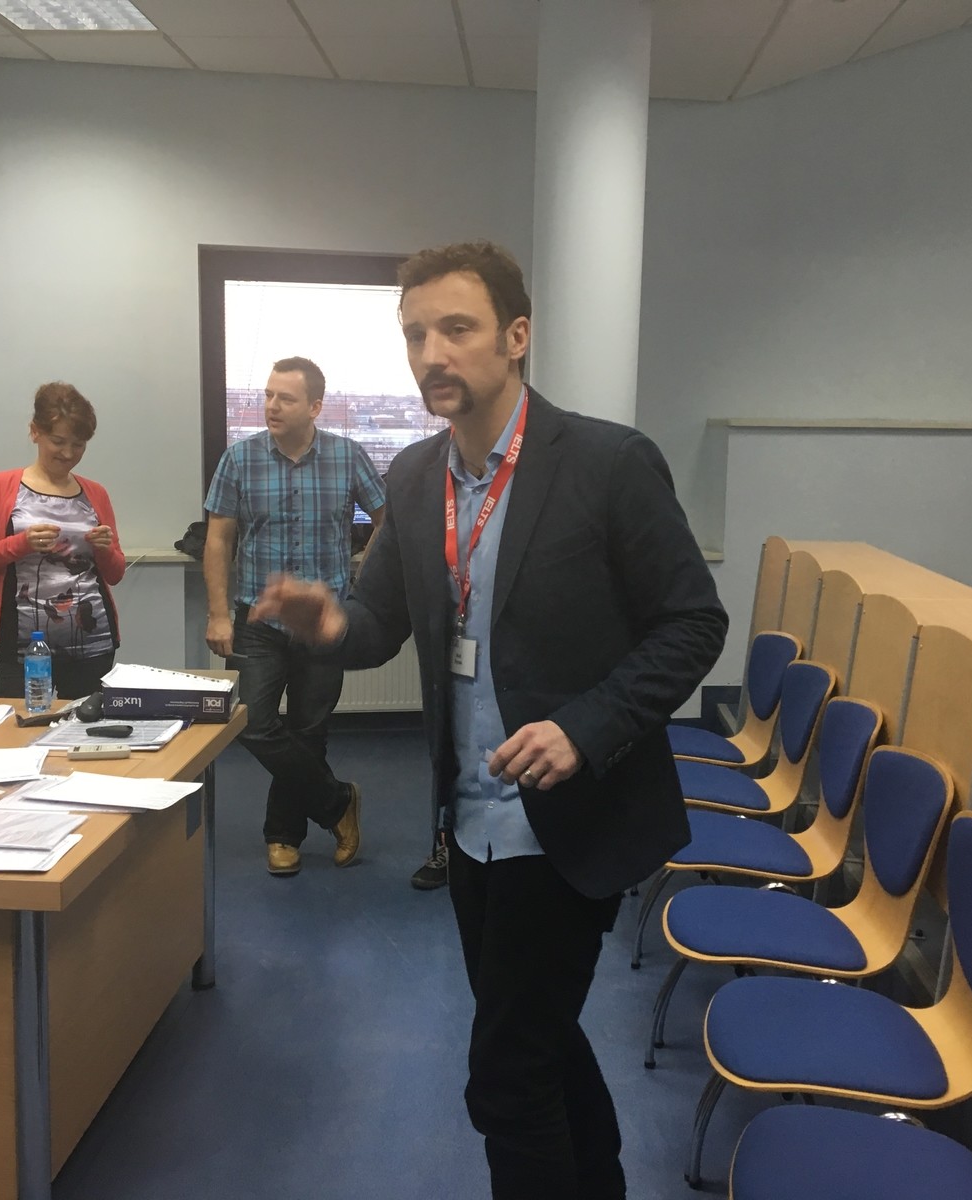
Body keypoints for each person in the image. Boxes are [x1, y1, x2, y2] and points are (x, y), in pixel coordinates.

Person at [253, 242, 728, 1199]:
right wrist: (331, 625)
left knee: (506, 1077)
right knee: (538, 1041)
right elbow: (380, 623)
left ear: (515, 337)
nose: (433, 353)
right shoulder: (414, 476)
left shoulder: (607, 463)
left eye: (457, 329)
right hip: (468, 823)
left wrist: (584, 726)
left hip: (569, 823)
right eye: (415, 334)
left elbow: (693, 624)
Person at [203, 356, 386, 877]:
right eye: (267, 395)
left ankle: (283, 836)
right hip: (257, 619)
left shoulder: (348, 456)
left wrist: (362, 581)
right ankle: (337, 801)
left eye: (285, 397)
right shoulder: (239, 458)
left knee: (309, 730)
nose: (272, 405)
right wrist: (218, 614)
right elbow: (218, 540)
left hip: (322, 622)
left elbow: (387, 520)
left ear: (315, 407)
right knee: (251, 722)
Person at [0, 382, 126, 700]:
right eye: (58, 442)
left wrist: (104, 550)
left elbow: (115, 574)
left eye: (78, 445)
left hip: (93, 644)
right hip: (23, 647)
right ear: (35, 432)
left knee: (88, 726)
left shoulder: (95, 493)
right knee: (21, 726)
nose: (68, 454)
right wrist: (20, 544)